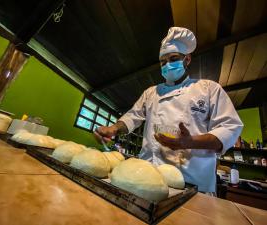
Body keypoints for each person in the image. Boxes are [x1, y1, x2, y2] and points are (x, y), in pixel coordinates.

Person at [94, 27, 243, 193]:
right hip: (146, 177)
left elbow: (230, 127)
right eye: (163, 62)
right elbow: (132, 116)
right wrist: (113, 129)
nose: (167, 65)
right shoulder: (151, 92)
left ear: (187, 59)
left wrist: (190, 142)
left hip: (191, 182)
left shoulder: (208, 89)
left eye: (173, 59)